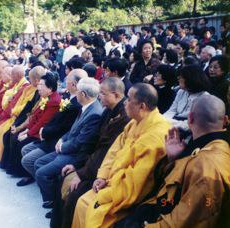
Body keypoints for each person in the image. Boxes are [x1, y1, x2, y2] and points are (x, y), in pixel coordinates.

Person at [115, 94, 230, 228]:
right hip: (163, 205)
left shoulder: (208, 166)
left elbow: (186, 220)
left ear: (190, 118)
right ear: (226, 120)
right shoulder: (207, 144)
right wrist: (174, 159)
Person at [72, 83, 171, 228]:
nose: (125, 102)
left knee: (88, 207)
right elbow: (113, 151)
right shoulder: (134, 122)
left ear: (142, 106)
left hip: (123, 194)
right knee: (82, 202)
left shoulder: (156, 136)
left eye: (129, 99)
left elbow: (136, 184)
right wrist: (102, 176)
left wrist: (106, 194)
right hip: (111, 182)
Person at [51, 77, 130, 227]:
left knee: (73, 193)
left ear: (117, 95)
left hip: (103, 171)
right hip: (91, 163)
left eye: (103, 93)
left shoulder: (124, 119)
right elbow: (92, 142)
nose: (99, 96)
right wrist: (76, 165)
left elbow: (106, 153)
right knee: (65, 178)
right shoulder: (108, 111)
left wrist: (81, 174)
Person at [34, 77, 103, 209]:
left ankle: (55, 203)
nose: (75, 93)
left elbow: (81, 142)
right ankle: (52, 198)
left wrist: (63, 146)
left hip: (75, 155)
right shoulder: (86, 107)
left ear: (83, 94)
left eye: (77, 91)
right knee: (38, 163)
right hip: (67, 147)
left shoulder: (94, 113)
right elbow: (73, 130)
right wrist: (62, 139)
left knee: (42, 173)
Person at [18, 69, 87, 186]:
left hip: (57, 140)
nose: (65, 83)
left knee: (28, 158)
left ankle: (45, 183)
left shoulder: (76, 104)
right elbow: (49, 119)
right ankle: (38, 179)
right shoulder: (68, 97)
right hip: (49, 134)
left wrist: (42, 132)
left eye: (67, 81)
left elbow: (64, 127)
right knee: (24, 148)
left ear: (74, 84)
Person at [3, 72, 61, 177]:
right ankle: (16, 170)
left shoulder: (54, 101)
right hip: (35, 129)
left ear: (50, 88)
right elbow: (34, 116)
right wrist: (25, 130)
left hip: (42, 134)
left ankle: (25, 174)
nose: (38, 88)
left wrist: (28, 134)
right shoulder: (45, 97)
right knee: (13, 136)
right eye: (38, 85)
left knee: (20, 143)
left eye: (41, 85)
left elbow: (42, 122)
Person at [0, 66, 45, 171]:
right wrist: (18, 125)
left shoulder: (42, 93)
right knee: (8, 135)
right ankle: (9, 166)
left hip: (34, 126)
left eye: (30, 79)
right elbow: (28, 108)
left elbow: (36, 115)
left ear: (37, 80)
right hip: (26, 118)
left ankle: (20, 171)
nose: (29, 81)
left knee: (15, 138)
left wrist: (24, 130)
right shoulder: (34, 90)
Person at [164, 64, 211, 132]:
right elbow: (172, 110)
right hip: (173, 123)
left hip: (187, 132)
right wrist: (162, 119)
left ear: (190, 78)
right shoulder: (181, 92)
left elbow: (193, 124)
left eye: (181, 77)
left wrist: (170, 122)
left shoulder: (205, 98)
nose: (178, 79)